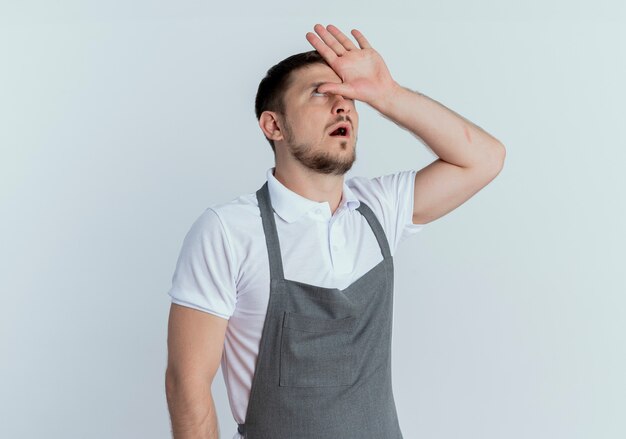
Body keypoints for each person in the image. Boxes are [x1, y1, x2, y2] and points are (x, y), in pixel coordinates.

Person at [165, 24, 505, 439]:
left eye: (350, 98)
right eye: (321, 94)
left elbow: (484, 158)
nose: (342, 107)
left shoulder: (379, 210)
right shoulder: (227, 231)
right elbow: (188, 384)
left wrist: (386, 93)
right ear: (274, 126)